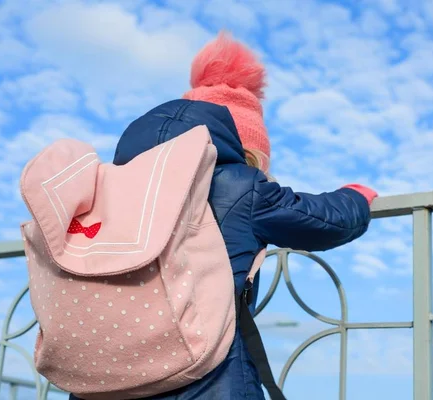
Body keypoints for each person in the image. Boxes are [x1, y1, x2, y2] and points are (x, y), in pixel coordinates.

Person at [70, 31, 377, 400]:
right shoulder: (240, 185)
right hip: (205, 380)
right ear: (245, 149)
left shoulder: (114, 186)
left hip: (105, 377)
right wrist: (356, 197)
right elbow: (324, 221)